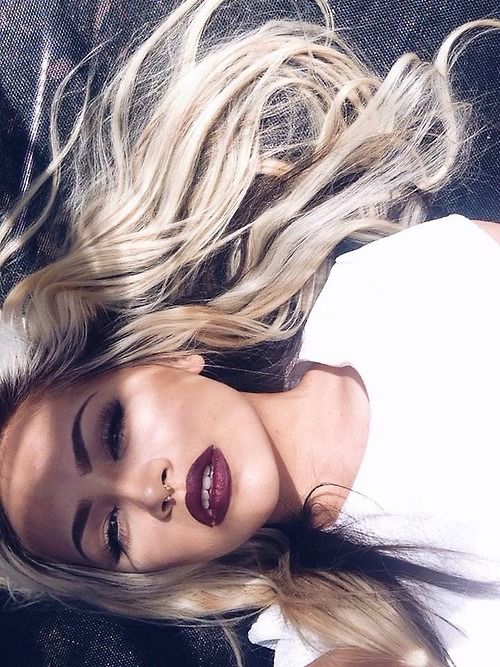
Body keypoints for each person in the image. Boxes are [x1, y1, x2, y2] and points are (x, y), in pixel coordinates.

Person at [0, 1, 499, 665]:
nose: (148, 492)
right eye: (112, 531)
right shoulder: (334, 634)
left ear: (166, 359)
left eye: (113, 433)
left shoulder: (385, 288)